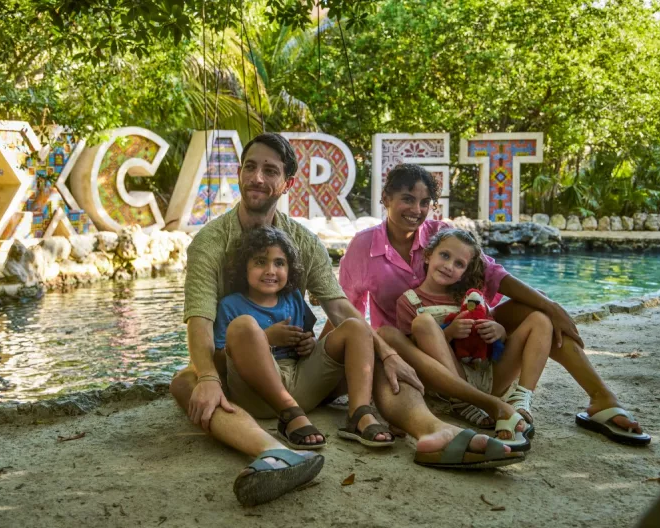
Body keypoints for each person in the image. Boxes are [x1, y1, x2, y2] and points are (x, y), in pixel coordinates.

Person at [170, 134, 524, 508]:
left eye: (269, 170)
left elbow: (339, 308)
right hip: (245, 373)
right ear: (239, 172)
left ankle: (432, 432)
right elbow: (200, 320)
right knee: (188, 380)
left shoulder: (302, 241)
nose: (257, 177)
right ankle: (275, 453)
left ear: (287, 183)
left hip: (299, 371)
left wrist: (386, 354)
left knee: (376, 345)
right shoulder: (210, 241)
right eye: (250, 167)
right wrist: (209, 377)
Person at [339, 163, 651, 446]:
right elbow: (345, 308)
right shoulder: (363, 246)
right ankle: (475, 401)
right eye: (407, 199)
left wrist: (550, 305)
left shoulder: (441, 234)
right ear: (386, 198)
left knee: (539, 313)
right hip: (415, 352)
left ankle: (599, 398)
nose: (416, 209)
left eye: (424, 202)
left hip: (473, 348)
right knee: (390, 334)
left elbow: (493, 274)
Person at [214, 225, 393, 450]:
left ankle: (359, 413)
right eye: (260, 262)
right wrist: (265, 338)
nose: (270, 270)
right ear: (243, 268)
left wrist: (309, 344)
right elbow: (220, 359)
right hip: (257, 396)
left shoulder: (293, 299)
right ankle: (289, 416)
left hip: (302, 386)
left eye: (279, 263)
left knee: (356, 326)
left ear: (289, 269)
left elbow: (310, 340)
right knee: (244, 326)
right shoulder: (231, 305)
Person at [395, 227, 553, 451]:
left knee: (540, 318)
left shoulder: (471, 297)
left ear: (465, 271)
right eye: (445, 255)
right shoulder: (409, 301)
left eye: (459, 264)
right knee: (423, 323)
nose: (449, 266)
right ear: (428, 255)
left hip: (488, 376)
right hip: (449, 380)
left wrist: (499, 331)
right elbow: (414, 354)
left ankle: (522, 396)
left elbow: (494, 346)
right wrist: (448, 333)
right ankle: (462, 401)